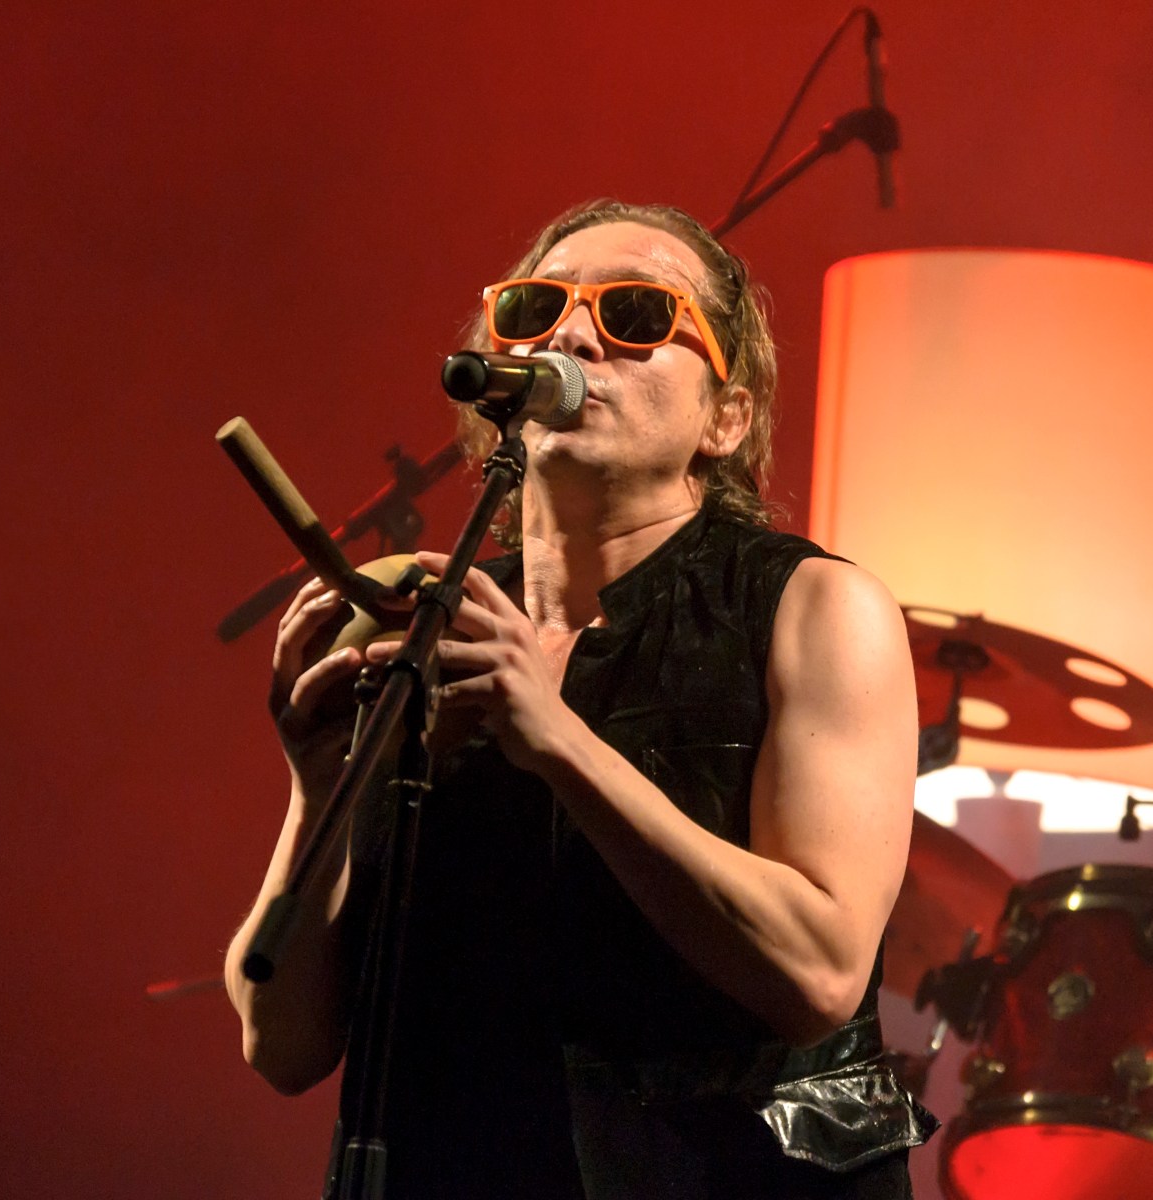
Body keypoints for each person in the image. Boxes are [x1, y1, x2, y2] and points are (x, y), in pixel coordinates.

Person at [225, 199, 933, 1200]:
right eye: (534, 309)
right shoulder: (432, 625)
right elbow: (282, 1045)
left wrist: (556, 738)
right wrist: (318, 791)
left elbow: (819, 972)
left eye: (637, 315)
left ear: (725, 418)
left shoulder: (814, 607)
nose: (571, 336)